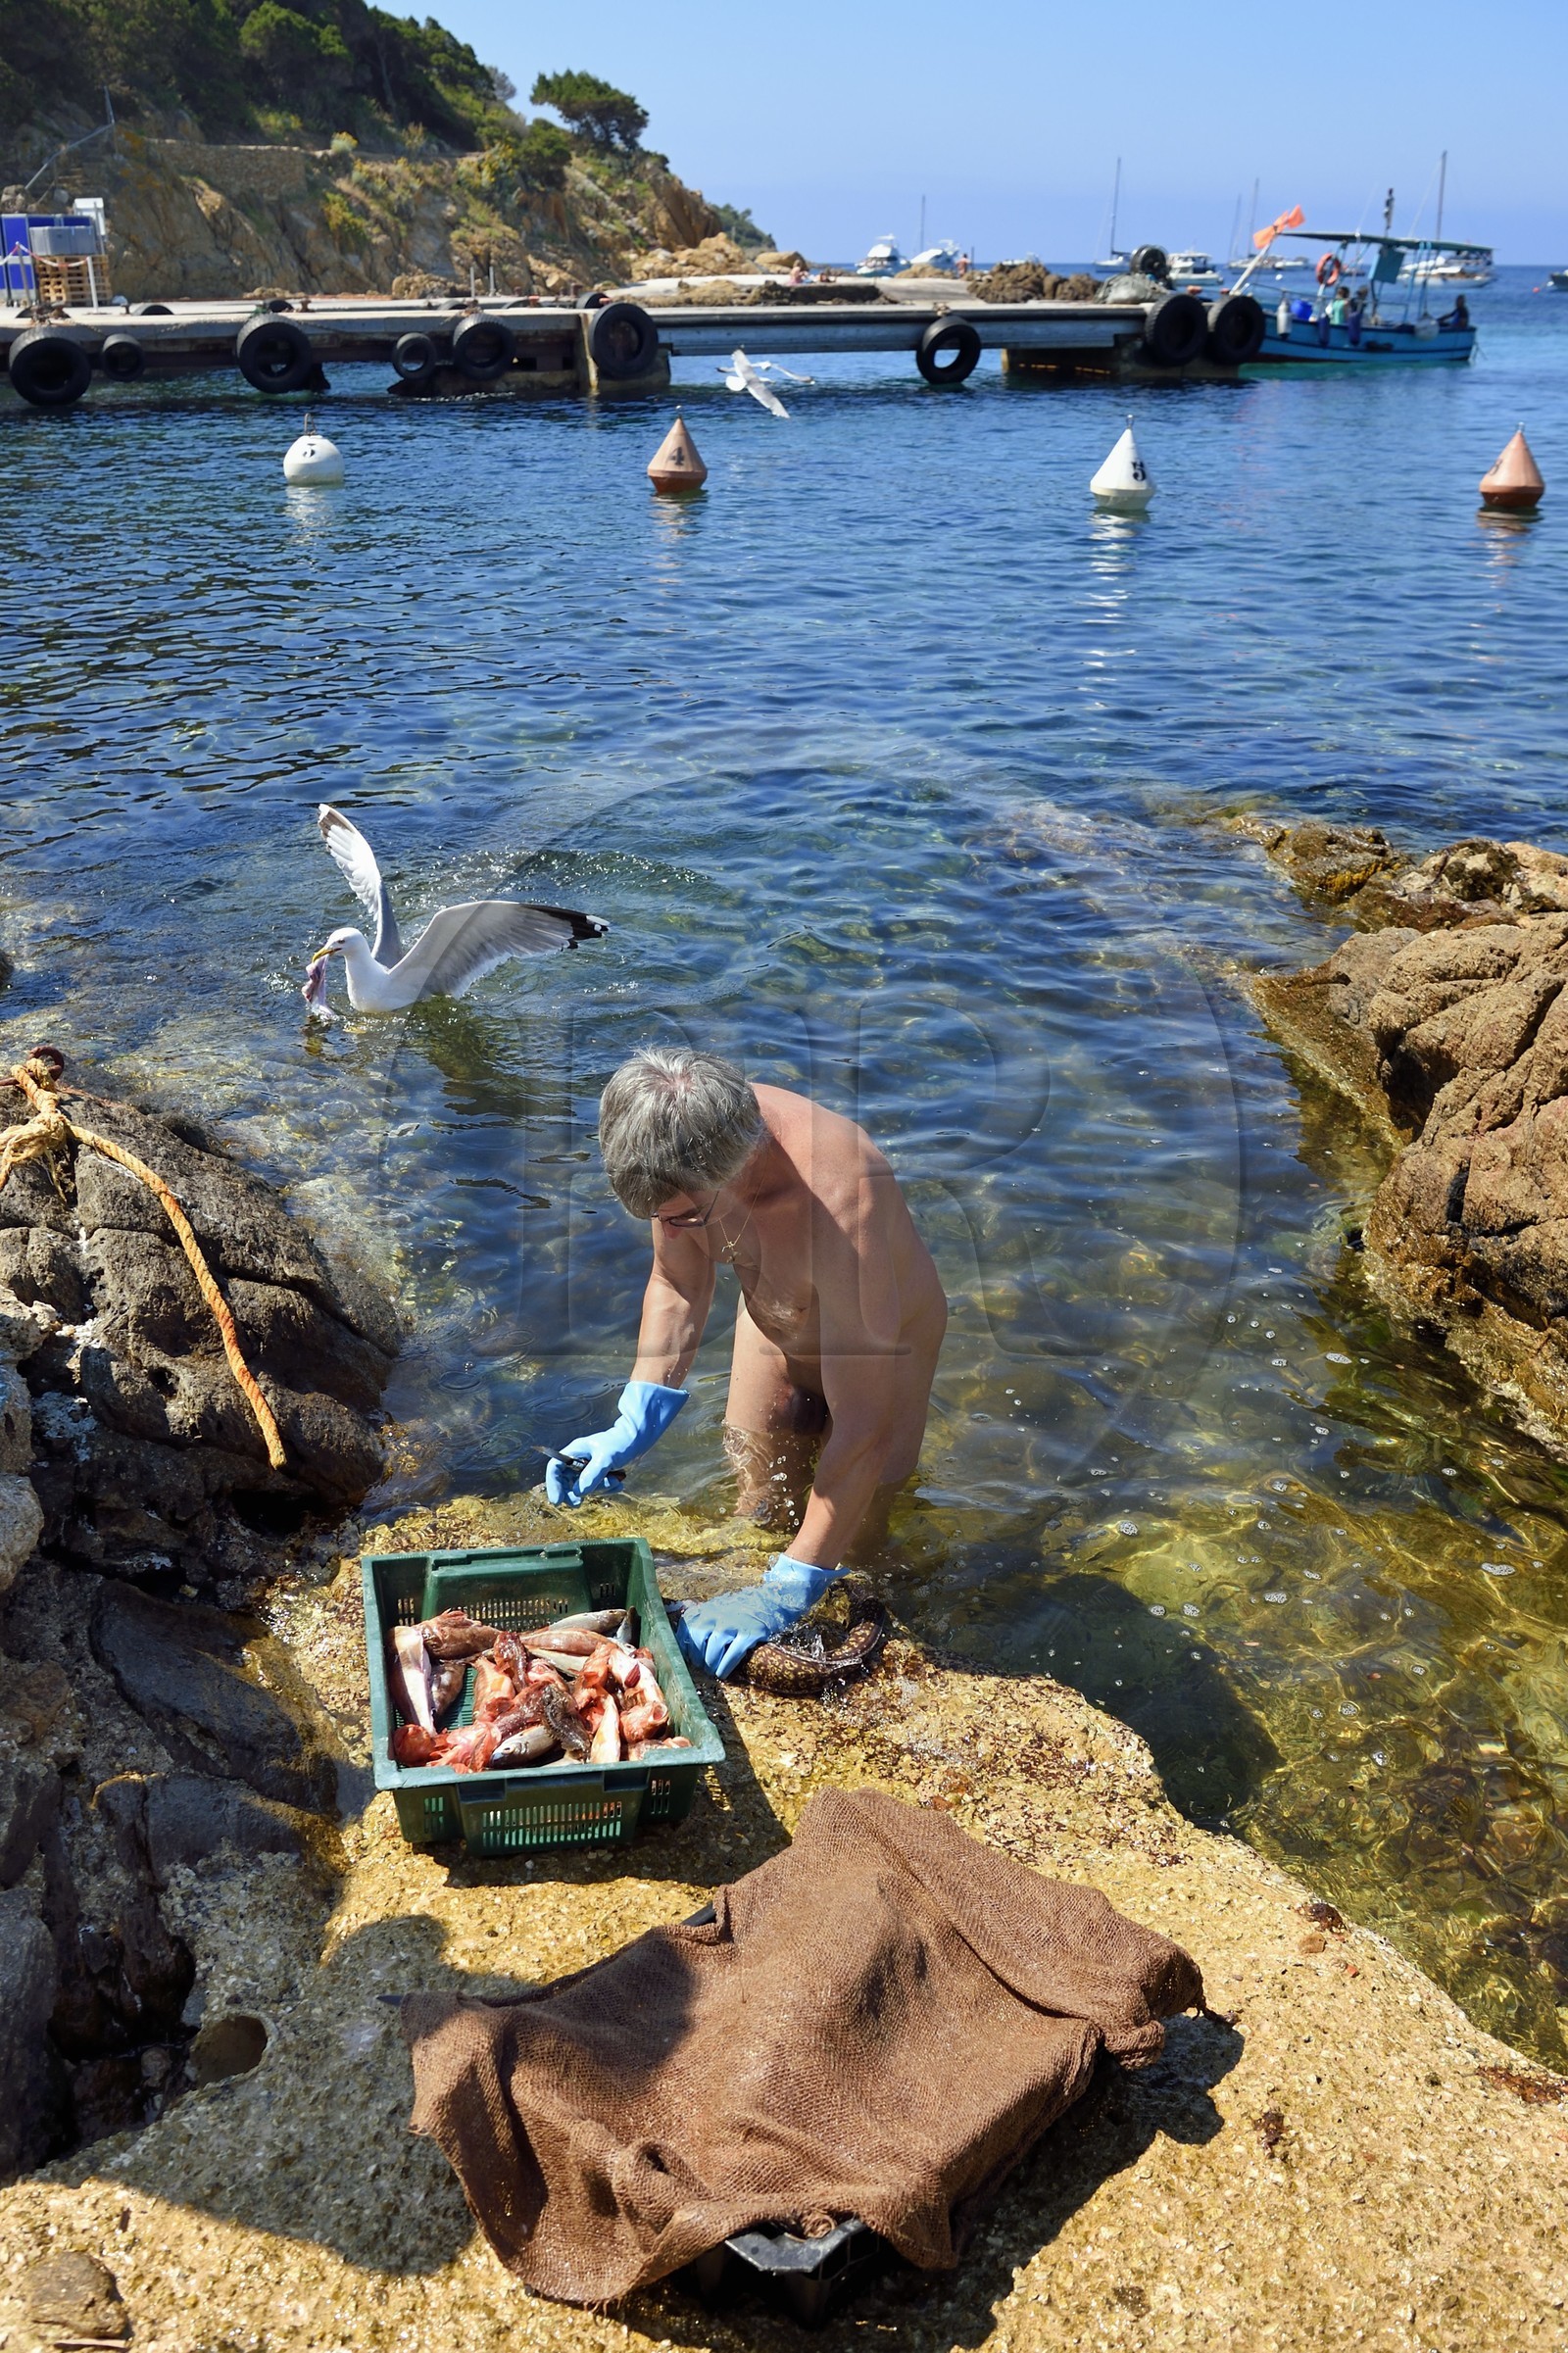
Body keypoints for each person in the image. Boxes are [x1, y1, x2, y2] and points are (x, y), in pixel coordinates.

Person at [547, 1048, 948, 1679]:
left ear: (732, 1171)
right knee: (755, 1508)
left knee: (861, 1542)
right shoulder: (672, 1137)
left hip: (883, 1348)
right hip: (774, 1321)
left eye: (682, 1215)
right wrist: (637, 1414)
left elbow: (865, 1424)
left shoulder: (843, 1201)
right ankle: (758, 1592)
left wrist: (793, 1586)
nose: (669, 1229)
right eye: (659, 1217)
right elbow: (677, 1282)